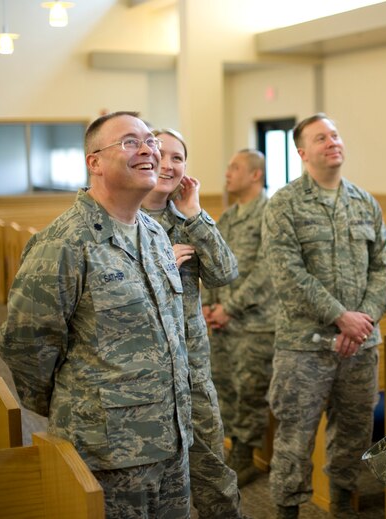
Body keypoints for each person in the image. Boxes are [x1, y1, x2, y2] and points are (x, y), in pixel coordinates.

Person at [0, 111, 193, 518]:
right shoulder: (64, 242)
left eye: (151, 141)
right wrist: (79, 407)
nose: (148, 150)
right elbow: (25, 346)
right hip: (108, 452)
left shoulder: (154, 234)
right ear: (95, 162)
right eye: (129, 142)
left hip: (171, 440)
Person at [262, 113, 386, 519]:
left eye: (334, 135)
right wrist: (340, 316)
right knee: (295, 439)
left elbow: (383, 268)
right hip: (304, 348)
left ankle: (342, 506)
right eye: (320, 138)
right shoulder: (284, 204)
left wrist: (362, 320)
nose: (332, 142)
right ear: (303, 153)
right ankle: (286, 512)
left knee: (353, 435)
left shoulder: (364, 202)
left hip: (360, 346)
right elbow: (287, 274)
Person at [141, 128, 244, 517]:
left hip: (192, 371)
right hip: (143, 376)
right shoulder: (122, 217)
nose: (168, 165)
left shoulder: (186, 219)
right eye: (161, 154)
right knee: (155, 483)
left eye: (178, 158)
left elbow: (224, 273)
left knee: (213, 474)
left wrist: (196, 214)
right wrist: (157, 262)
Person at [202, 148, 277, 487]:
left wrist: (229, 308)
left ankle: (246, 455)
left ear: (255, 175)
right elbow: (211, 261)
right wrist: (208, 304)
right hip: (223, 323)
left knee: (250, 389)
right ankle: (233, 446)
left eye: (235, 167)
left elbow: (266, 271)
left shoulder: (270, 213)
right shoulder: (229, 216)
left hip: (254, 323)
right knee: (225, 385)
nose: (227, 173)